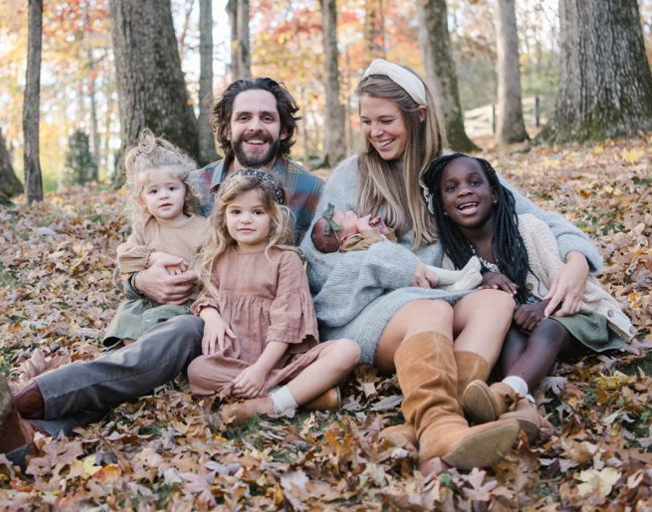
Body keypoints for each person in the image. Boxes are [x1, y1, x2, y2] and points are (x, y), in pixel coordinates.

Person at [300, 59, 604, 473]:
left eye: (386, 120)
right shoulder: (352, 176)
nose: (376, 132)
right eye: (367, 121)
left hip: (438, 299)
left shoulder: (452, 170)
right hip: (365, 312)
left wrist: (576, 259)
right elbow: (317, 264)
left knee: (495, 302)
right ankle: (439, 430)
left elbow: (533, 214)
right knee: (433, 308)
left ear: (418, 114)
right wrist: (385, 264)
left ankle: (447, 418)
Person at [1, 77, 324, 459]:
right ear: (226, 128)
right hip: (193, 313)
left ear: (283, 128)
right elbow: (141, 253)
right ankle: (34, 426)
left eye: (267, 117)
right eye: (244, 117)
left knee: (164, 343)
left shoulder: (312, 190)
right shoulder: (193, 184)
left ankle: (27, 404)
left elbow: (318, 267)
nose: (255, 126)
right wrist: (142, 279)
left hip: (252, 325)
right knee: (155, 349)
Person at [421, 153, 634, 440]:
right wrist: (481, 277)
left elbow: (573, 289)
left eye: (474, 182)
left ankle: (506, 392)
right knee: (507, 331)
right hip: (521, 333)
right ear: (443, 208)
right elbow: (459, 301)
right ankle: (523, 405)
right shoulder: (455, 258)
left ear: (494, 194)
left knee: (548, 328)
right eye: (452, 188)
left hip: (575, 317)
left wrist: (544, 308)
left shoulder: (528, 230)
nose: (464, 191)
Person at [187, 169, 359, 424]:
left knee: (348, 350)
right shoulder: (221, 257)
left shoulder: (284, 259)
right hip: (235, 360)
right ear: (224, 217)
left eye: (257, 212)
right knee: (196, 371)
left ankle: (272, 403)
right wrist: (211, 318)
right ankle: (301, 396)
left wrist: (261, 370)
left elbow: (287, 324)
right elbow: (207, 297)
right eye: (236, 212)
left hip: (283, 363)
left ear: (274, 217)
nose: (246, 220)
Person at [103, 129, 209, 348]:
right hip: (146, 300)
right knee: (127, 315)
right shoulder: (144, 227)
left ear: (186, 191)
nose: (163, 195)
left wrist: (192, 275)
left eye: (171, 188)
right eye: (153, 191)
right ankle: (133, 358)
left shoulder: (202, 228)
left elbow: (212, 266)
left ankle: (153, 365)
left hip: (183, 302)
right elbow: (125, 256)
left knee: (169, 328)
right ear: (141, 200)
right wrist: (153, 257)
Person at [311, 203, 483, 292]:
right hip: (399, 276)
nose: (350, 212)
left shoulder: (359, 238)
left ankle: (454, 288)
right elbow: (377, 252)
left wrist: (384, 231)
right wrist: (368, 231)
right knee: (426, 271)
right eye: (347, 217)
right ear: (345, 238)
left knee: (426, 274)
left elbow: (391, 248)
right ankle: (458, 277)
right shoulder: (351, 246)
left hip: (404, 264)